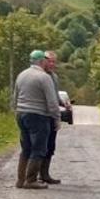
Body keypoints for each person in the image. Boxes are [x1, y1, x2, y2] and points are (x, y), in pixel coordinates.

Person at [11, 50, 58, 190]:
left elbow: (15, 97)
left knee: (26, 148)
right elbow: (52, 102)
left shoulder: (22, 75)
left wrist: (17, 110)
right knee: (38, 148)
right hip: (38, 115)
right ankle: (30, 180)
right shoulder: (44, 77)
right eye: (45, 60)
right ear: (41, 61)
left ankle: (20, 180)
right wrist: (56, 118)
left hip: (21, 114)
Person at [41, 50, 63, 184]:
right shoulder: (41, 76)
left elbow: (55, 94)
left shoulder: (54, 77)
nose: (51, 64)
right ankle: (37, 174)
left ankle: (45, 174)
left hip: (52, 115)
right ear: (43, 61)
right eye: (49, 61)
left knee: (50, 145)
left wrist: (62, 102)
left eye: (54, 61)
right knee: (40, 145)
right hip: (42, 114)